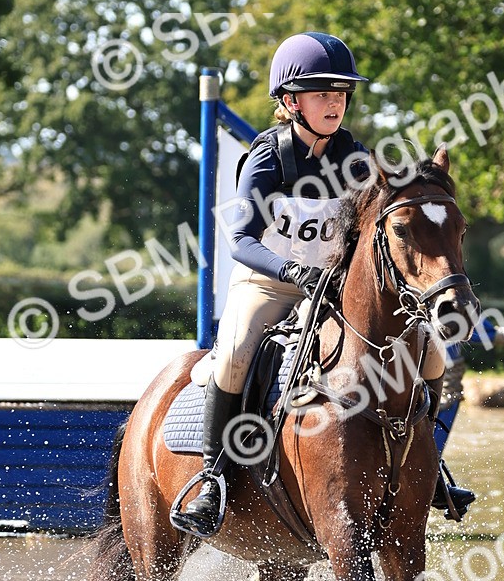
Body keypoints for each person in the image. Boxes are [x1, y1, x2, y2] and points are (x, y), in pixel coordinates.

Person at [173, 31, 474, 537]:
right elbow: (241, 242)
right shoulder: (267, 158)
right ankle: (214, 477)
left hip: (333, 284)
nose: (335, 103)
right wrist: (293, 272)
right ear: (291, 102)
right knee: (235, 351)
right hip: (270, 281)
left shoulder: (354, 156)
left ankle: (431, 467)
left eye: (340, 94)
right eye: (321, 94)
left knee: (431, 352)